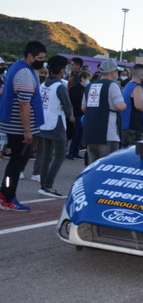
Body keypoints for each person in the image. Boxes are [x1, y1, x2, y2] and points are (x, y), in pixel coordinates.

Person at [0, 41, 46, 211]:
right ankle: (8, 198)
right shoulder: (25, 73)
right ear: (30, 56)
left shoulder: (15, 67)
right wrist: (27, 131)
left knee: (14, 163)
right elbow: (24, 104)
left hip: (14, 125)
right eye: (40, 58)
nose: (41, 61)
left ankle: (4, 193)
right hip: (19, 128)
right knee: (17, 164)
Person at [38, 55, 73, 198]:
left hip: (44, 122)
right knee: (59, 155)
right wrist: (68, 112)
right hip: (57, 123)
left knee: (46, 155)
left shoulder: (43, 85)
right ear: (62, 70)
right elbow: (68, 107)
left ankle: (43, 185)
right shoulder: (59, 86)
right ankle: (48, 186)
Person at [81, 60, 126, 164]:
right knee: (107, 167)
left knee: (93, 167)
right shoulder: (113, 85)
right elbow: (120, 106)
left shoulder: (90, 86)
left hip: (90, 133)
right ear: (113, 73)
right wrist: (125, 105)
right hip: (108, 134)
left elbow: (83, 107)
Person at [121, 64, 143, 147]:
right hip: (134, 127)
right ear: (141, 76)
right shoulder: (137, 87)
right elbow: (139, 106)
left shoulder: (128, 85)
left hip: (126, 125)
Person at [66, 70, 91, 160]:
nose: (89, 81)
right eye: (88, 78)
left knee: (80, 135)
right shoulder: (75, 89)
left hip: (83, 114)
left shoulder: (86, 88)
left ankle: (76, 151)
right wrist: (71, 115)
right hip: (76, 114)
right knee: (75, 134)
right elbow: (70, 103)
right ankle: (70, 152)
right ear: (82, 78)